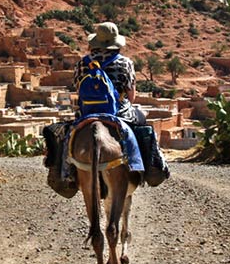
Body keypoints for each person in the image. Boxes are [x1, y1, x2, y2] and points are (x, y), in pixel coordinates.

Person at [72, 22, 169, 179]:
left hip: (86, 112)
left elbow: (79, 90)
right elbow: (131, 97)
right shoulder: (125, 63)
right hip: (119, 112)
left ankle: (64, 172)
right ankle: (152, 168)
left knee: (66, 134)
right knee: (145, 127)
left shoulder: (82, 64)